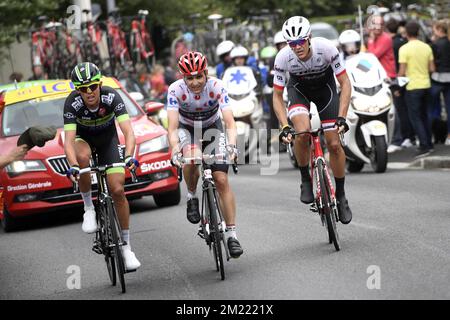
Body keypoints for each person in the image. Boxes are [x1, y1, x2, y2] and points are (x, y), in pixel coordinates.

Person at [273, 16, 353, 224]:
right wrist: (284, 126)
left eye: (300, 42)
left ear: (309, 38)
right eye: (292, 43)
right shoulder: (283, 58)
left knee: (334, 144)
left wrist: (342, 117)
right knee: (302, 133)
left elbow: (345, 84)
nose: (297, 47)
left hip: (325, 92)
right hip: (299, 91)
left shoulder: (326, 49)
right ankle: (305, 179)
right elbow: (277, 96)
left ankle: (341, 195)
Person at [63, 62, 141, 271]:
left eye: (92, 87)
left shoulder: (112, 96)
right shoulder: (72, 103)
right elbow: (68, 141)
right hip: (83, 139)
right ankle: (88, 207)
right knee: (82, 157)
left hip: (108, 140)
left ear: (99, 84)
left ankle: (126, 248)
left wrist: (128, 156)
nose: (89, 92)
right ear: (77, 90)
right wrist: (72, 165)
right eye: (82, 89)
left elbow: (129, 131)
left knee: (117, 189)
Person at [167, 51, 243, 258]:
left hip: (212, 127)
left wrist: (233, 146)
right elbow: (172, 127)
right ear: (182, 77)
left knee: (221, 179)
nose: (194, 82)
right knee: (191, 159)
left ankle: (232, 235)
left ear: (206, 73)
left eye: (199, 76)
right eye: (189, 78)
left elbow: (229, 121)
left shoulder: (217, 86)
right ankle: (192, 196)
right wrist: (175, 150)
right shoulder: (175, 90)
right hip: (187, 129)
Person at [398, 21, 435, 158]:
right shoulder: (427, 47)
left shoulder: (404, 49)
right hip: (426, 85)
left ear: (406, 33)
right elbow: (432, 69)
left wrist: (397, 83)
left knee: (415, 117)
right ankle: (429, 144)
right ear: (418, 32)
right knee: (425, 115)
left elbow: (402, 72)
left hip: (412, 87)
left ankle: (424, 146)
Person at [385, 18, 416, 153]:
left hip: (397, 80)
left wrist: (397, 85)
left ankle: (405, 138)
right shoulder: (403, 42)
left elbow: (398, 66)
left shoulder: (392, 44)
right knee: (408, 111)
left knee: (399, 111)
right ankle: (411, 137)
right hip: (409, 80)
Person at [430, 20, 450, 145]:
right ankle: (449, 135)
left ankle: (436, 135)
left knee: (434, 109)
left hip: (437, 77)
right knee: (449, 108)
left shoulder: (435, 45)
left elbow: (432, 64)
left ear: (438, 29)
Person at [366, 15, 397, 79]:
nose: (378, 27)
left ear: (383, 26)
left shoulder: (385, 38)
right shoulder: (374, 38)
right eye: (375, 24)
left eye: (380, 24)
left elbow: (372, 56)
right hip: (380, 75)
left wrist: (371, 40)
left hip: (388, 76)